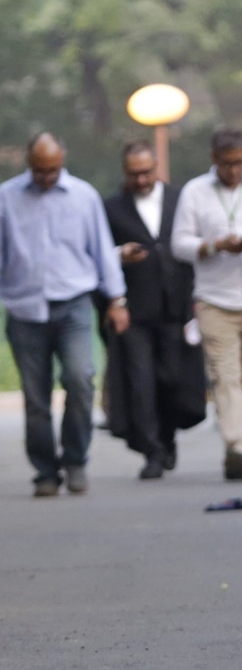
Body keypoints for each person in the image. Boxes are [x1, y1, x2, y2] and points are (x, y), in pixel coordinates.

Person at [0, 134, 128, 496]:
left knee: (81, 378)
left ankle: (75, 460)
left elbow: (102, 249)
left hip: (73, 303)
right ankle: (44, 471)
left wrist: (117, 299)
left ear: (63, 161)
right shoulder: (7, 197)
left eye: (52, 170)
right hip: (25, 308)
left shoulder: (83, 196)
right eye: (39, 171)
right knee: (36, 396)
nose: (46, 177)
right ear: (28, 164)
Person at [172, 130, 242, 480]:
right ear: (214, 160)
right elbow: (179, 244)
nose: (233, 171)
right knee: (225, 377)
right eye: (226, 164)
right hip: (214, 300)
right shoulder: (194, 191)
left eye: (239, 163)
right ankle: (237, 446)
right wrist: (214, 246)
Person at [102, 141, 206, 479]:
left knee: (172, 379)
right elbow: (100, 254)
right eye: (134, 174)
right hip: (134, 311)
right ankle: (151, 451)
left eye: (147, 172)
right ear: (124, 172)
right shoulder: (112, 208)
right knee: (140, 381)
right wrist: (120, 255)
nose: (142, 179)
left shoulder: (181, 200)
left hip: (175, 307)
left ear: (157, 167)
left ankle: (167, 436)